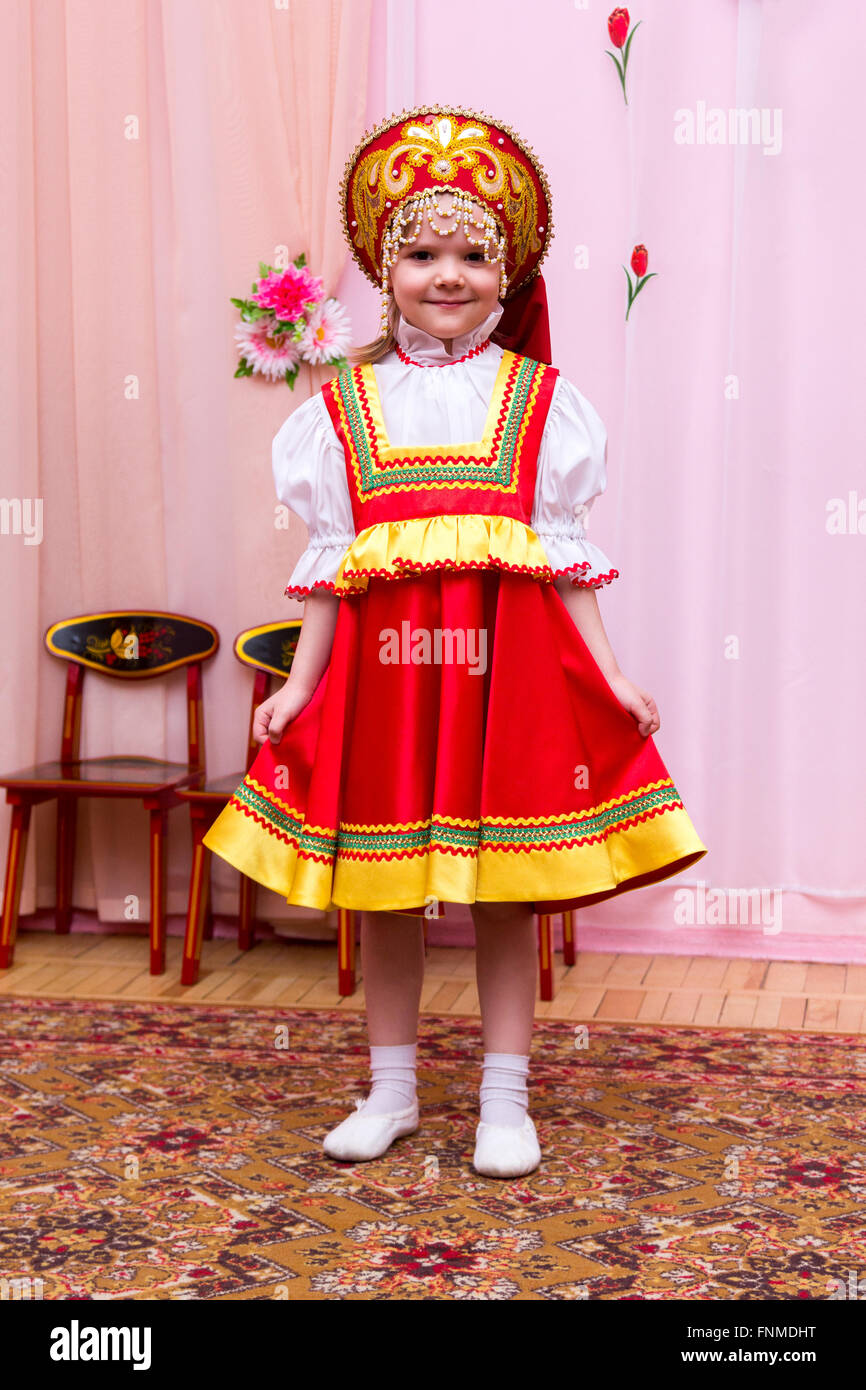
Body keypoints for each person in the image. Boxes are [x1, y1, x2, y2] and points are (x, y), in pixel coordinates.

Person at [203, 106, 708, 1179]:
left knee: (503, 887)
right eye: (421, 254)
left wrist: (610, 674)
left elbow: (560, 557)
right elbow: (333, 572)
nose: (446, 275)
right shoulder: (339, 409)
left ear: (507, 271)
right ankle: (388, 1089)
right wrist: (296, 691)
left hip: (507, 675)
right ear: (383, 274)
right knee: (384, 886)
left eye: (472, 256)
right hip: (384, 680)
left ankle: (503, 1099)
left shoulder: (541, 402)